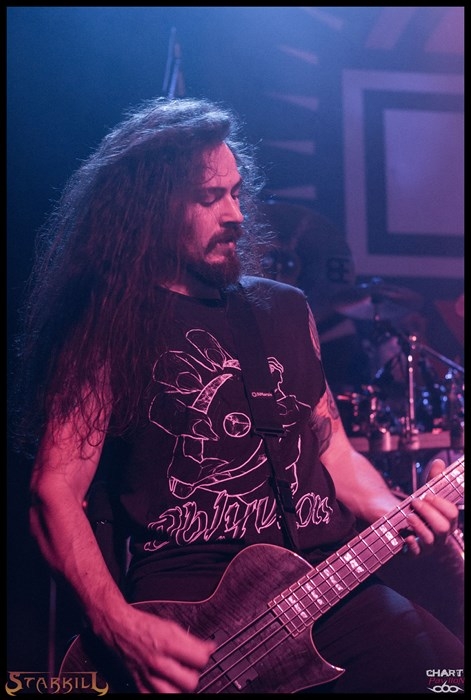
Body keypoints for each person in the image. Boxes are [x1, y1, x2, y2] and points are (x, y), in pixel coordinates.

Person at [11, 96, 463, 694]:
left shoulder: (283, 308)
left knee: (448, 677)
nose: (236, 215)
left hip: (326, 589)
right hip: (193, 622)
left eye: (236, 192)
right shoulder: (107, 324)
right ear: (150, 208)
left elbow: (333, 451)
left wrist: (390, 509)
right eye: (210, 198)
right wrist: (116, 623)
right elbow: (54, 489)